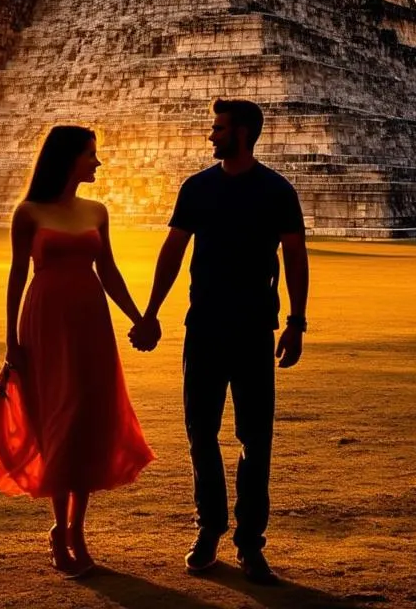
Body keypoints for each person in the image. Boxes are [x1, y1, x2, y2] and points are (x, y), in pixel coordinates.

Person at [129, 98, 309, 586]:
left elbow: (295, 255)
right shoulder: (197, 188)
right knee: (200, 434)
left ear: (244, 133)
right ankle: (209, 528)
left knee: (256, 440)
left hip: (254, 330)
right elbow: (172, 252)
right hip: (203, 326)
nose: (211, 135)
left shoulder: (276, 191)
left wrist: (297, 321)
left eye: (220, 128)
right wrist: (150, 312)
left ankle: (250, 543)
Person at [0, 125, 153, 577]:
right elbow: (17, 276)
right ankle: (61, 529)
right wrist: (10, 341)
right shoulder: (29, 212)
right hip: (46, 323)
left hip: (91, 323)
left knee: (89, 420)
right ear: (69, 158)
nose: (97, 162)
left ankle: (76, 529)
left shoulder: (97, 211)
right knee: (60, 419)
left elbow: (109, 271)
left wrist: (138, 317)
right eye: (91, 154)